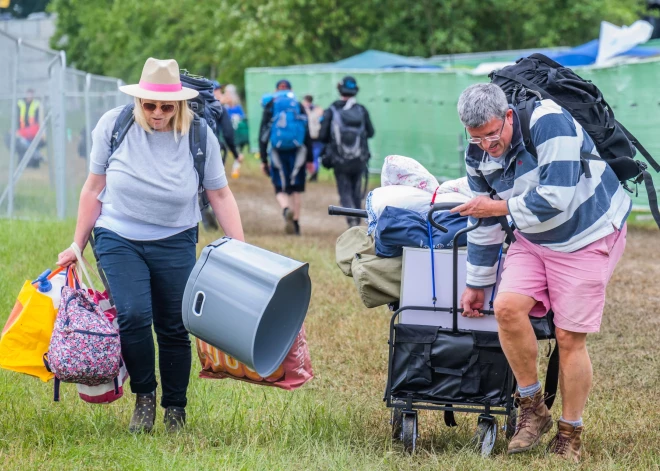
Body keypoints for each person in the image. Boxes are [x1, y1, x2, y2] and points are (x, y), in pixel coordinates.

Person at [56, 58, 244, 433]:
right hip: (117, 236)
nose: (157, 113)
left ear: (179, 103)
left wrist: (241, 248)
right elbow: (93, 189)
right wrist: (76, 245)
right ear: (139, 100)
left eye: (166, 106)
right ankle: (144, 398)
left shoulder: (199, 133)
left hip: (175, 239)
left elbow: (220, 194)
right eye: (149, 105)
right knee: (133, 315)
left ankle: (175, 408)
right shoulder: (114, 124)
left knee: (174, 326)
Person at [452, 83, 630, 462]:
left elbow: (556, 198)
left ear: (509, 117)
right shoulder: (476, 152)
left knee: (568, 336)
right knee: (506, 308)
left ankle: (570, 433)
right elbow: (483, 222)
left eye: (492, 134)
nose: (486, 145)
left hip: (588, 230)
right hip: (533, 238)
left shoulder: (550, 123)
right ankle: (533, 409)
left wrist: (495, 207)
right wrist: (476, 283)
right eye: (477, 138)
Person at [258, 79, 314, 235]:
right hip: (298, 151)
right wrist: (310, 159)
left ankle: (285, 209)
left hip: (277, 151)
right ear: (291, 89)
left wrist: (263, 160)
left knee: (279, 187)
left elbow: (263, 135)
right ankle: (296, 224)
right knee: (295, 189)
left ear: (276, 90)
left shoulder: (271, 105)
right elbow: (307, 134)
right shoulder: (298, 105)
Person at [318, 76, 374, 227]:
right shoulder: (361, 110)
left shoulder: (332, 109)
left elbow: (322, 136)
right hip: (359, 158)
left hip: (339, 159)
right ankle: (357, 217)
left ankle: (351, 220)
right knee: (357, 189)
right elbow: (371, 132)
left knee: (344, 189)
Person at [4, 88, 45, 168]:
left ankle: (36, 155)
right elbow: (15, 118)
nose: (29, 96)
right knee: (20, 141)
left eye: (31, 94)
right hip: (22, 131)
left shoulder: (37, 104)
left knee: (22, 139)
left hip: (33, 130)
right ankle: (37, 154)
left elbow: (40, 119)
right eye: (28, 94)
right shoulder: (20, 103)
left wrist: (42, 132)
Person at [221, 84, 249, 178]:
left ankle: (235, 169)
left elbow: (243, 120)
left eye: (228, 93)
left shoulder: (238, 108)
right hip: (226, 135)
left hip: (237, 135)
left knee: (238, 152)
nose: (226, 95)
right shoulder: (223, 108)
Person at [302, 95, 324, 182]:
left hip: (307, 136)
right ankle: (314, 174)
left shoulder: (303, 109)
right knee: (315, 156)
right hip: (317, 136)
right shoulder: (318, 110)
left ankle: (306, 173)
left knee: (304, 155)